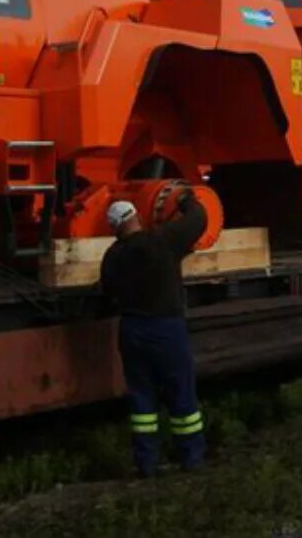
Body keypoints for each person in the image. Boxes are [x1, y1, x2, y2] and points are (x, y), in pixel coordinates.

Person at [100, 189, 208, 477]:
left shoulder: (112, 256)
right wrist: (186, 200)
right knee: (181, 393)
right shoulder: (160, 241)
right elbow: (198, 220)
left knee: (142, 401)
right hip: (165, 328)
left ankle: (146, 463)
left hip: (131, 330)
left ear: (114, 227)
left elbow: (107, 293)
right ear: (135, 216)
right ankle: (191, 459)